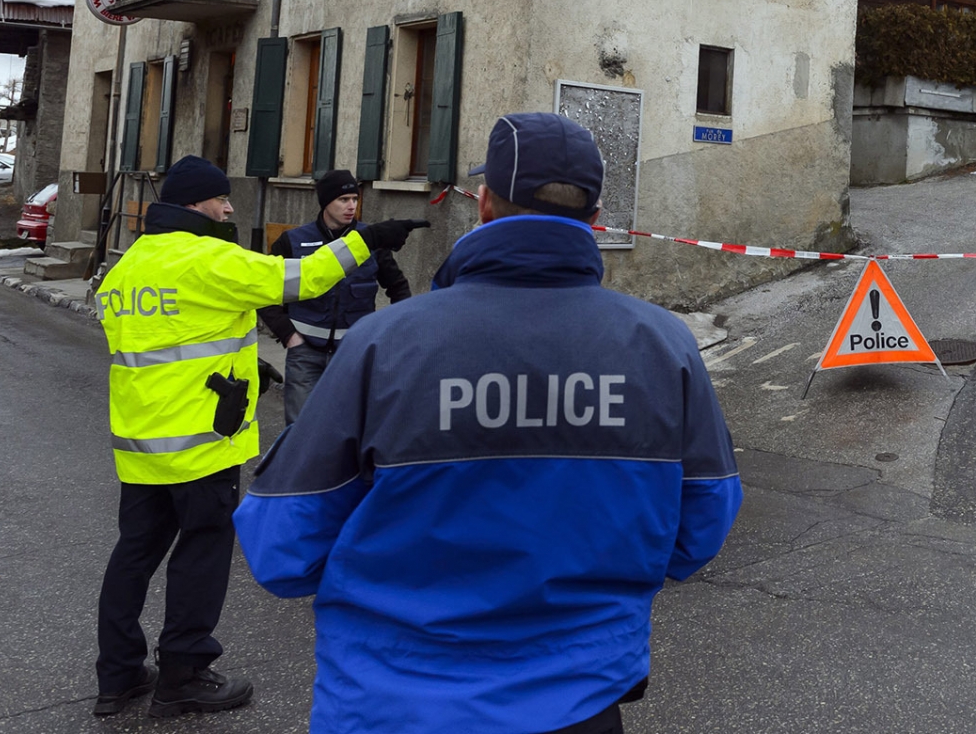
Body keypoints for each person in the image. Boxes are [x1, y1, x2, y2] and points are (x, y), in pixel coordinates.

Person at [234, 114, 741, 734]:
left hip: (395, 703)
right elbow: (699, 531)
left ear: (486, 205)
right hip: (581, 701)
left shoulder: (386, 344)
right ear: (595, 213)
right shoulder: (665, 346)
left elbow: (281, 550)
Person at [92, 154, 427, 719]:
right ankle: (184, 675)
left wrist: (244, 368)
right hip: (201, 442)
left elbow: (167, 340)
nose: (228, 208)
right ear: (196, 203)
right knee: (201, 553)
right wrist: (369, 238)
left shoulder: (129, 264)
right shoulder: (210, 258)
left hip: (140, 440)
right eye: (222, 199)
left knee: (133, 555)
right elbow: (301, 279)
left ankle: (118, 675)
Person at [261, 170, 411, 423]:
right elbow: (265, 292)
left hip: (354, 353)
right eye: (343, 200)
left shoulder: (371, 240)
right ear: (325, 202)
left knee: (350, 429)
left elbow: (398, 287)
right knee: (300, 431)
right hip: (305, 352)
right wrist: (289, 336)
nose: (351, 206)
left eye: (355, 199)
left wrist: (393, 333)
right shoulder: (293, 241)